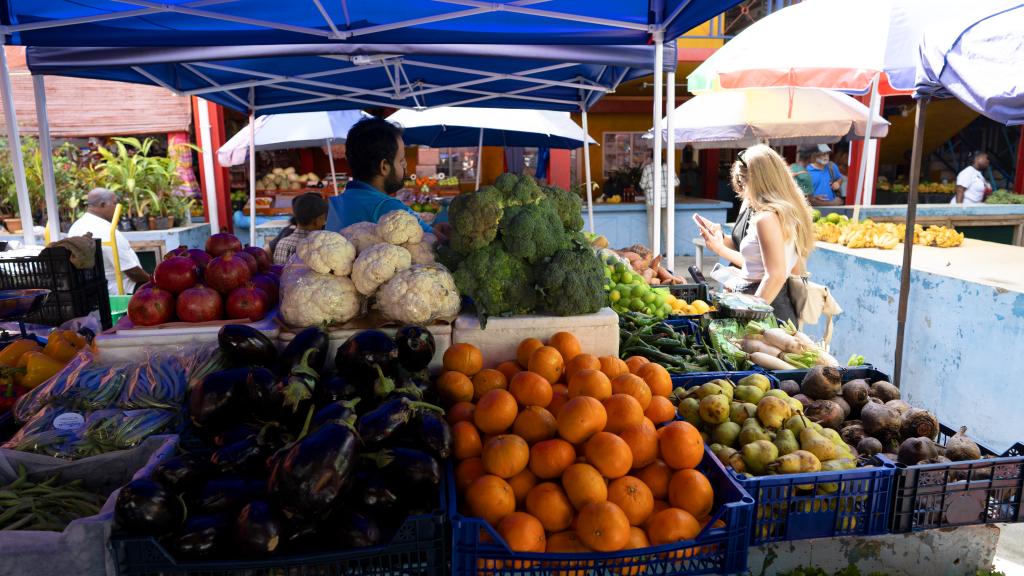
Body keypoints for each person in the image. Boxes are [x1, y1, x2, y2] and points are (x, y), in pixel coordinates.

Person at [693, 145, 815, 324]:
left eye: (741, 183)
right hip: (777, 304)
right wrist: (722, 240)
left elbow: (775, 275)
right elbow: (790, 268)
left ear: (752, 181)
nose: (742, 190)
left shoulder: (766, 218)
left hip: (763, 305)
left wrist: (749, 320)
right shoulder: (788, 212)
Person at [325, 117, 434, 234]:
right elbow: (436, 240)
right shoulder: (390, 208)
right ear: (384, 167)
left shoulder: (337, 203)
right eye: (401, 160)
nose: (405, 166)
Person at [67, 188, 151, 295]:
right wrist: (153, 281)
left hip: (96, 290)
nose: (116, 207)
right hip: (123, 290)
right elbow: (132, 271)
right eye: (114, 203)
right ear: (103, 204)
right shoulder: (105, 230)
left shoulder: (76, 226)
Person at [272, 193, 328, 265]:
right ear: (316, 221)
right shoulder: (319, 247)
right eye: (323, 218)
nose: (324, 222)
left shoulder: (282, 243)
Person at [639, 151, 680, 250]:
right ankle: (668, 251)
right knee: (666, 226)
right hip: (667, 201)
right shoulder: (669, 168)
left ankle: (653, 252)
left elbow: (642, 185)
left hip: (652, 201)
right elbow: (676, 182)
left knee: (651, 226)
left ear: (652, 158)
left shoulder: (648, 168)